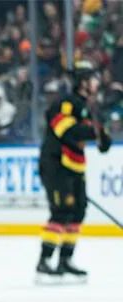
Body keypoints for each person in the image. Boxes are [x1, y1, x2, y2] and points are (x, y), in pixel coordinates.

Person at [36, 60, 112, 282]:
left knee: (78, 211)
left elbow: (101, 142)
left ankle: (65, 260)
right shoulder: (66, 103)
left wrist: (100, 134)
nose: (96, 83)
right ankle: (44, 262)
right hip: (57, 165)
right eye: (92, 79)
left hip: (75, 166)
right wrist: (95, 131)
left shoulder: (87, 107)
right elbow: (66, 130)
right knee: (61, 211)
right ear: (82, 82)